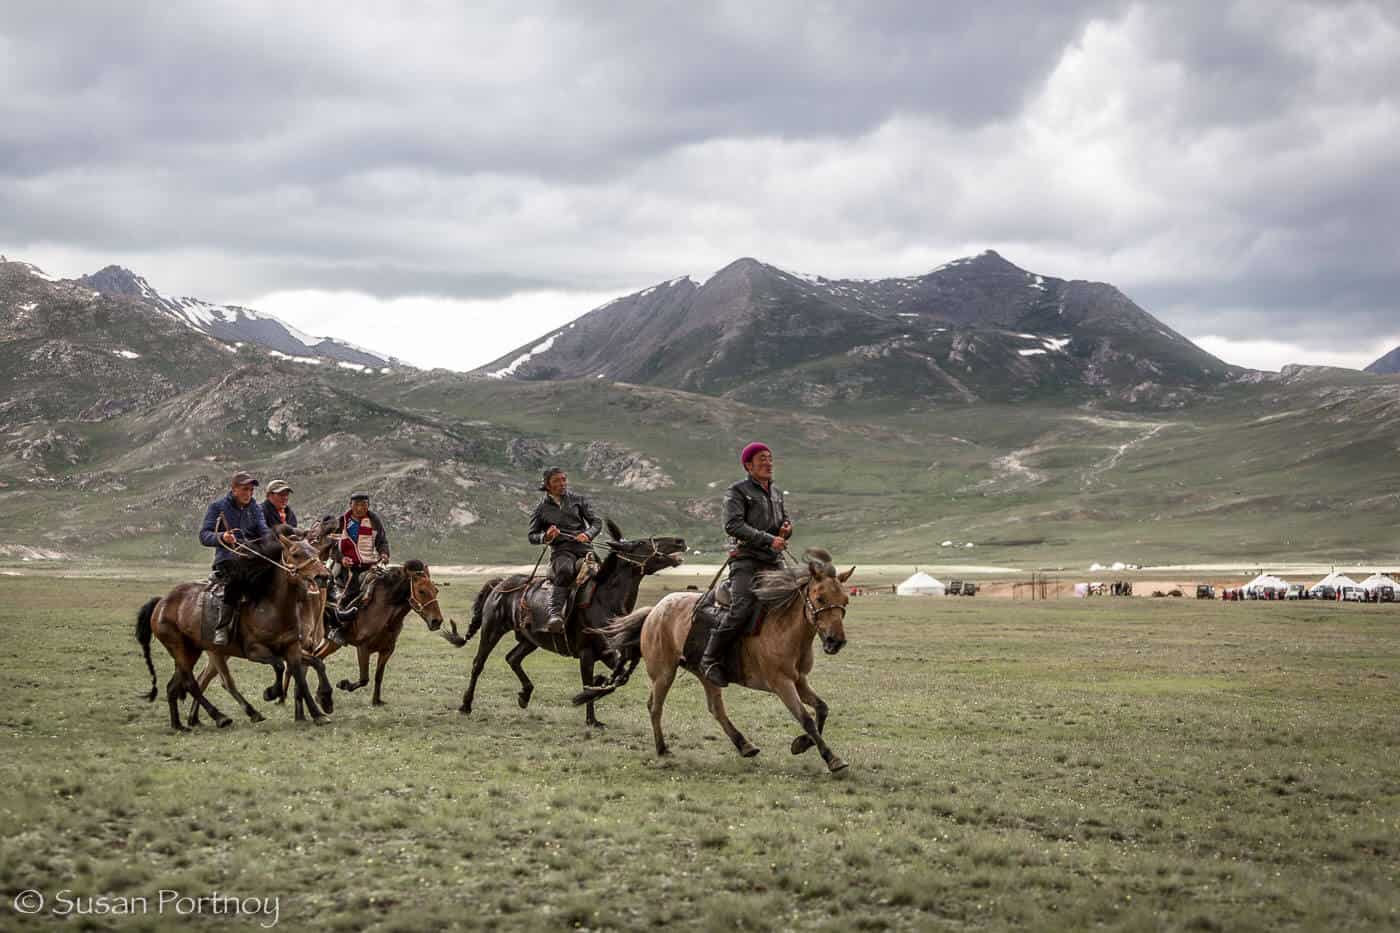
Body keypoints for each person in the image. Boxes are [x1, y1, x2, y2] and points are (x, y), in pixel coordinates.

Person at [700, 442, 793, 687]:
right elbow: (733, 525)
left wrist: (786, 529)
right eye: (762, 459)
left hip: (773, 561)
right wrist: (768, 539)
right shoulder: (737, 491)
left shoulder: (776, 493)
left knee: (794, 602)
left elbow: (782, 523)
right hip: (746, 561)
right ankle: (709, 659)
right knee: (741, 609)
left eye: (770, 458)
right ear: (748, 465)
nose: (768, 463)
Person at [197, 470, 271, 646]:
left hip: (251, 557)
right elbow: (204, 535)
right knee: (238, 578)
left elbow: (264, 531)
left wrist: (273, 543)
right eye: (245, 489)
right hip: (227, 559)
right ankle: (221, 628)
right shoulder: (217, 507)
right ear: (234, 489)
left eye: (251, 490)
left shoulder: (255, 508)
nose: (249, 494)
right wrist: (222, 537)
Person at [526, 468, 601, 634]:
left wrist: (587, 534)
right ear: (547, 485)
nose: (562, 484)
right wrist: (546, 536)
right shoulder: (541, 509)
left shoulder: (578, 500)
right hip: (561, 551)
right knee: (565, 570)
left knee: (603, 574)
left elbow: (596, 522)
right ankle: (555, 615)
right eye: (557, 481)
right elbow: (532, 536)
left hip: (584, 549)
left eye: (564, 480)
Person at [325, 492, 391, 643]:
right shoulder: (342, 522)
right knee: (350, 594)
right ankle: (339, 629)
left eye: (364, 505)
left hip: (369, 565)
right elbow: (333, 548)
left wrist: (384, 554)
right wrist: (342, 559)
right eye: (357, 505)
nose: (361, 508)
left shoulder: (374, 520)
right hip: (347, 569)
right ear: (350, 505)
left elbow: (382, 541)